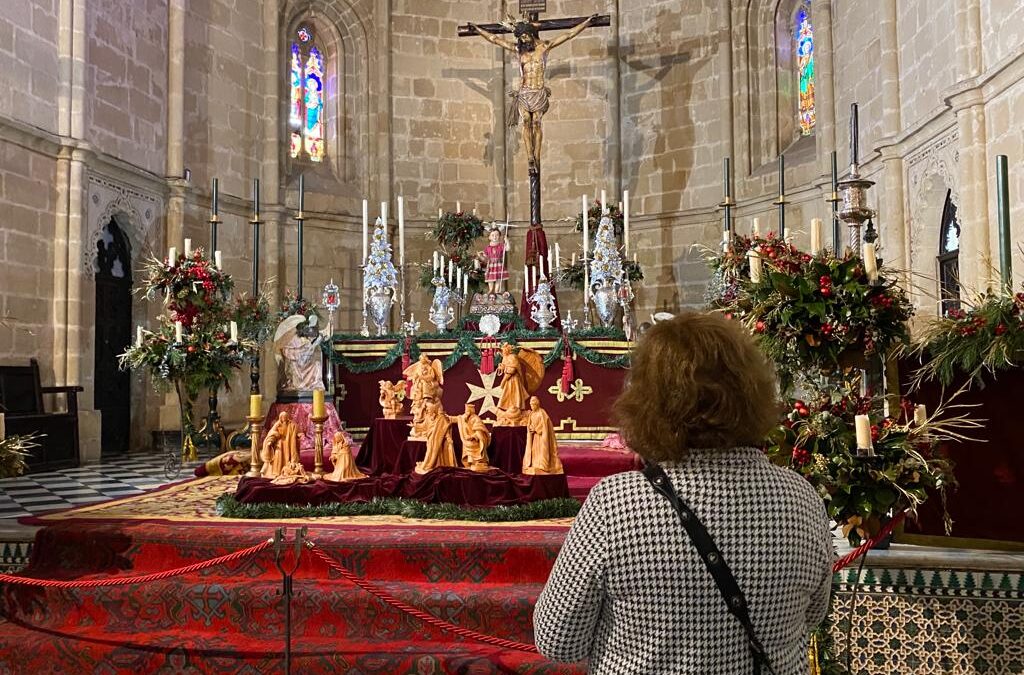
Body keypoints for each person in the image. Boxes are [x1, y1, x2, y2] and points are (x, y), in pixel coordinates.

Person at [533, 311, 835, 673]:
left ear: (648, 401)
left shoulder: (616, 504)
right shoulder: (801, 497)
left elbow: (559, 640)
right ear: (751, 390)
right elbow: (815, 612)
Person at [522, 396, 563, 475]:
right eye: (531, 405)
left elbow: (544, 426)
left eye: (533, 405)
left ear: (537, 404)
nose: (532, 406)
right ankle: (535, 464)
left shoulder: (542, 413)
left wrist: (536, 429)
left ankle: (543, 465)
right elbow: (529, 424)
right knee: (534, 452)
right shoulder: (532, 414)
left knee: (541, 451)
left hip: (541, 437)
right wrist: (530, 428)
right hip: (534, 437)